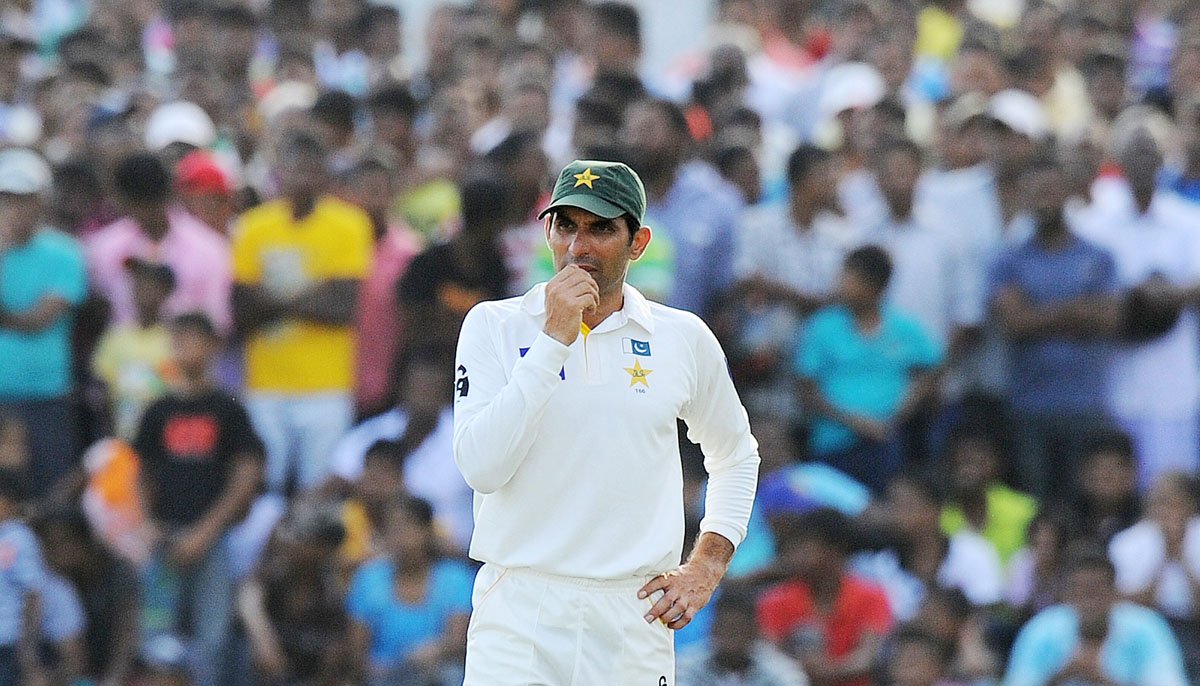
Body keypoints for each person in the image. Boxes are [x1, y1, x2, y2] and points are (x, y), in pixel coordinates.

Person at [453, 159, 760, 683]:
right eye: (565, 225)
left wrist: (706, 565)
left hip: (632, 612)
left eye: (600, 228)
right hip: (519, 610)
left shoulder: (681, 336)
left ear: (637, 242)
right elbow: (482, 468)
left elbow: (735, 454)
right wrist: (552, 341)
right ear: (547, 231)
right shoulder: (493, 326)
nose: (578, 246)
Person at [232, 131, 372, 494]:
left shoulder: (350, 225)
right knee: (267, 487)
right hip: (265, 383)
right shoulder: (253, 227)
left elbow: (342, 307)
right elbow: (242, 309)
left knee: (317, 488)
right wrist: (313, 294)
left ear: (324, 175)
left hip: (326, 384)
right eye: (294, 170)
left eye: (310, 171)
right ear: (280, 172)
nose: (301, 179)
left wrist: (272, 299)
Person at [133, 312, 264, 686]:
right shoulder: (158, 410)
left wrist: (206, 531)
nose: (183, 348)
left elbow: (245, 477)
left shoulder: (228, 409)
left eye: (192, 339)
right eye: (178, 339)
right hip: (165, 538)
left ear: (212, 347)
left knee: (212, 639)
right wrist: (146, 524)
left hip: (213, 539)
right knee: (155, 634)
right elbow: (143, 472)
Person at [989, 156, 1119, 499]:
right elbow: (1013, 324)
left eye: (1052, 190)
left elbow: (1109, 319)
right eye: (1037, 192)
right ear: (1025, 197)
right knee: (1036, 502)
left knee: (1085, 501)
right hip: (1029, 406)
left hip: (1086, 403)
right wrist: (1075, 311)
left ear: (1067, 193)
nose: (1046, 200)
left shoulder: (1097, 257)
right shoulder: (1009, 260)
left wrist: (1038, 315)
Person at [796, 246, 942, 494]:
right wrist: (855, 422)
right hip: (833, 443)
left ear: (875, 286)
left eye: (850, 278)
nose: (842, 284)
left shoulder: (903, 327)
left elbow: (934, 367)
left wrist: (903, 410)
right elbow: (805, 390)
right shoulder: (822, 327)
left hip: (887, 442)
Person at [0, 148, 88, 497]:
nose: (14, 208)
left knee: (49, 496)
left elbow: (37, 320)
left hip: (46, 396)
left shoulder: (65, 252)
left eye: (23, 199)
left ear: (41, 201)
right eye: (7, 198)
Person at [85, 152, 232, 333]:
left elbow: (217, 321)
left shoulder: (209, 249)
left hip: (187, 357)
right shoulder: (104, 248)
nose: (146, 212)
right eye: (140, 205)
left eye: (151, 204)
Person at [1004, 547, 1188, 686]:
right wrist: (1060, 676)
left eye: (1095, 591)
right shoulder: (1042, 629)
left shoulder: (1147, 627)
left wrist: (1104, 680)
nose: (1088, 601)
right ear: (1067, 594)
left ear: (1114, 592)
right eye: (1079, 591)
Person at [757, 508, 892, 686]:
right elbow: (769, 656)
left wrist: (825, 670)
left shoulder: (871, 596)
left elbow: (868, 657)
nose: (797, 557)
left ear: (834, 551)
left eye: (806, 547)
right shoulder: (775, 600)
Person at [347, 496, 472, 686]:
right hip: (383, 678)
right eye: (392, 529)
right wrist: (393, 670)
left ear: (427, 531)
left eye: (407, 527)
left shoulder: (455, 577)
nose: (399, 537)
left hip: (438, 676)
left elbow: (458, 642)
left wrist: (435, 650)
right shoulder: (368, 578)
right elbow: (357, 656)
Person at [33, 506, 139, 685]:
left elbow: (126, 634)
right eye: (48, 546)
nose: (54, 553)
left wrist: (113, 679)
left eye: (61, 544)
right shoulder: (54, 581)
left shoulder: (118, 572)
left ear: (84, 541)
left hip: (115, 670)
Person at [90, 257, 178, 441]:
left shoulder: (175, 339)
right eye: (138, 283)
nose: (142, 290)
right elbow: (102, 387)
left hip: (164, 438)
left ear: (166, 291)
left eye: (151, 285)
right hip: (123, 435)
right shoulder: (115, 337)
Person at [938, 426, 1037, 565]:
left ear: (996, 464)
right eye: (962, 462)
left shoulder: (1024, 510)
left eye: (976, 462)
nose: (968, 472)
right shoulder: (937, 515)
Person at [676, 584, 808, 686]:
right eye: (726, 627)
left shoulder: (779, 670)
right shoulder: (686, 666)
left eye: (738, 629)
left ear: (754, 630)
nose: (732, 637)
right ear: (713, 628)